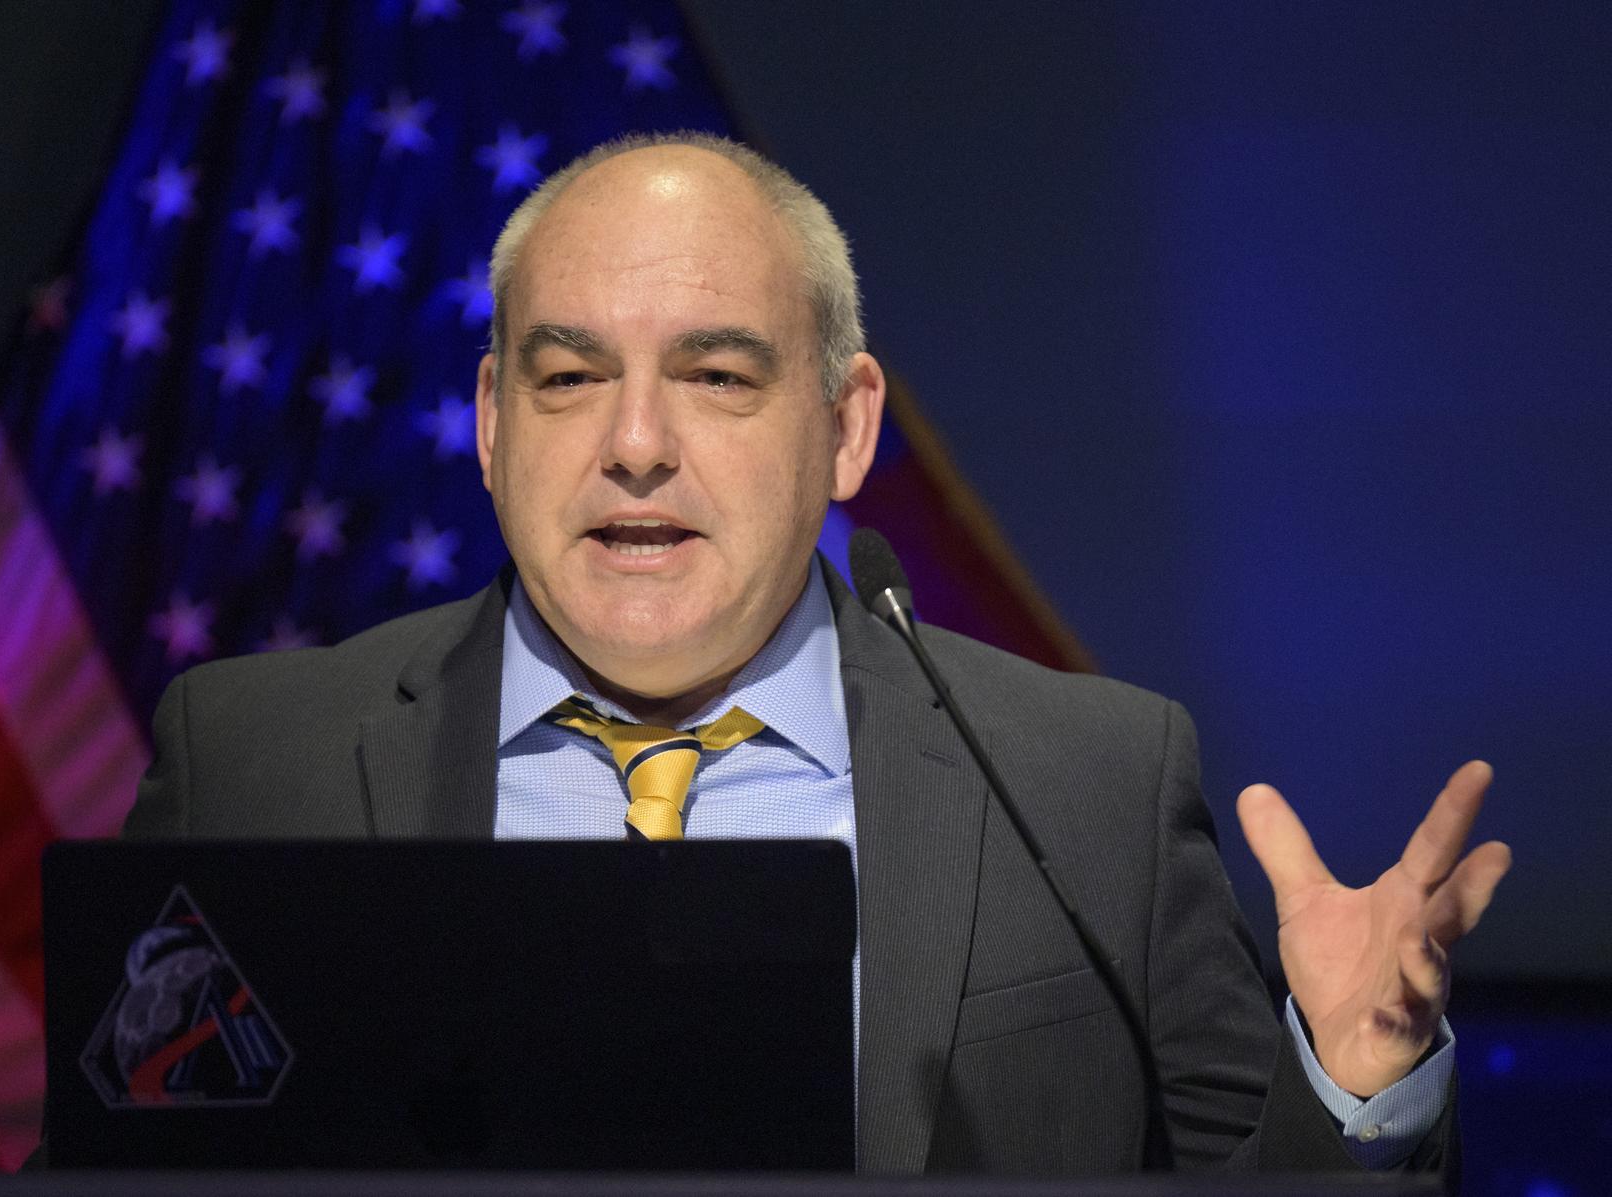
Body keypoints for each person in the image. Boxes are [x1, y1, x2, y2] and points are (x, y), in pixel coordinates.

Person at [126, 132, 1511, 1176]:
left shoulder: (1086, 785)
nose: (637, 444)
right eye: (568, 376)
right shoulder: (257, 758)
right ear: (492, 421)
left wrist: (1348, 1077)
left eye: (719, 375)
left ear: (847, 428)